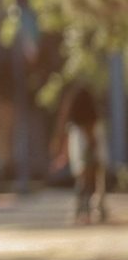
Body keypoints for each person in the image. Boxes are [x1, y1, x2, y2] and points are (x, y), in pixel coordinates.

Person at [52, 84, 108, 224]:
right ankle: (89, 209)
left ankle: (85, 209)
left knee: (85, 178)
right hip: (87, 143)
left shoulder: (76, 124)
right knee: (90, 178)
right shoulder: (82, 123)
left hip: (85, 142)